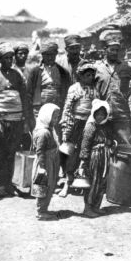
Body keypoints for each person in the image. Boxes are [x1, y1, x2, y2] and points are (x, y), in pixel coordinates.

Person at [0, 43, 34, 197]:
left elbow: (25, 98)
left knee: (12, 152)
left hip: (16, 121)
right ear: (0, 59)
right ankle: (0, 184)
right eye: (5, 58)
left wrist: (26, 120)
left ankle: (9, 184)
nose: (9, 61)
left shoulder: (18, 75)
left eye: (10, 58)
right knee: (0, 153)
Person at [94, 30, 131, 144]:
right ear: (105, 49)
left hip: (122, 112)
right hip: (102, 113)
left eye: (117, 50)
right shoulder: (97, 67)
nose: (115, 52)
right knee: (103, 146)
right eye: (112, 50)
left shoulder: (127, 66)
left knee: (125, 144)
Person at [58, 62, 97, 197]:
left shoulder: (94, 90)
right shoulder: (74, 88)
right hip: (75, 124)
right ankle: (67, 184)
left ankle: (82, 183)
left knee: (85, 153)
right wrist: (66, 129)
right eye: (87, 75)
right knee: (71, 155)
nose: (90, 78)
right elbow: (68, 109)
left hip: (89, 124)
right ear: (80, 76)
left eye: (92, 75)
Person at [78, 100, 116, 217]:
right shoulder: (91, 126)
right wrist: (83, 160)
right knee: (93, 182)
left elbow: (109, 139)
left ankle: (96, 206)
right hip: (94, 157)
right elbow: (85, 145)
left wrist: (110, 143)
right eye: (98, 114)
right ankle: (88, 208)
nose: (100, 117)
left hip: (104, 157)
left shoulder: (105, 126)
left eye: (103, 114)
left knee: (102, 181)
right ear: (93, 113)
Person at [31, 103, 61, 221]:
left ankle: (44, 208)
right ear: (46, 116)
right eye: (54, 117)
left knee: (50, 186)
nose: (56, 120)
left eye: (57, 117)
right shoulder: (43, 133)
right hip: (45, 164)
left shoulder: (50, 130)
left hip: (51, 162)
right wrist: (42, 167)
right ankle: (41, 211)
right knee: (43, 186)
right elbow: (40, 151)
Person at [27, 41, 70, 114]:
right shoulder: (35, 72)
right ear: (42, 55)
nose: (50, 58)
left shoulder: (63, 72)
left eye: (52, 55)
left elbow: (66, 92)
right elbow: (29, 93)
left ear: (56, 54)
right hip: (39, 109)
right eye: (47, 55)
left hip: (57, 108)